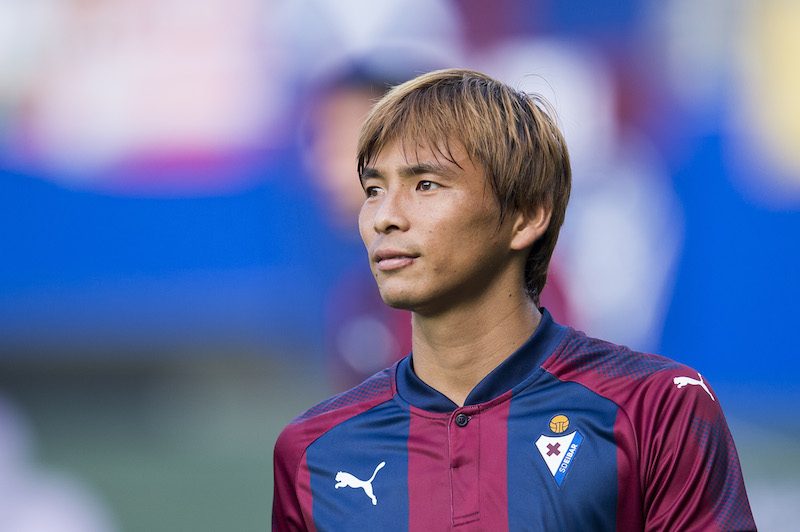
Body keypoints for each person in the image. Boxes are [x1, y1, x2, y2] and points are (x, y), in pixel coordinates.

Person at [272, 69, 755, 531]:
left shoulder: (659, 410)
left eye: (425, 185)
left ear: (525, 215)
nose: (384, 217)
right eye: (373, 189)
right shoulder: (313, 452)